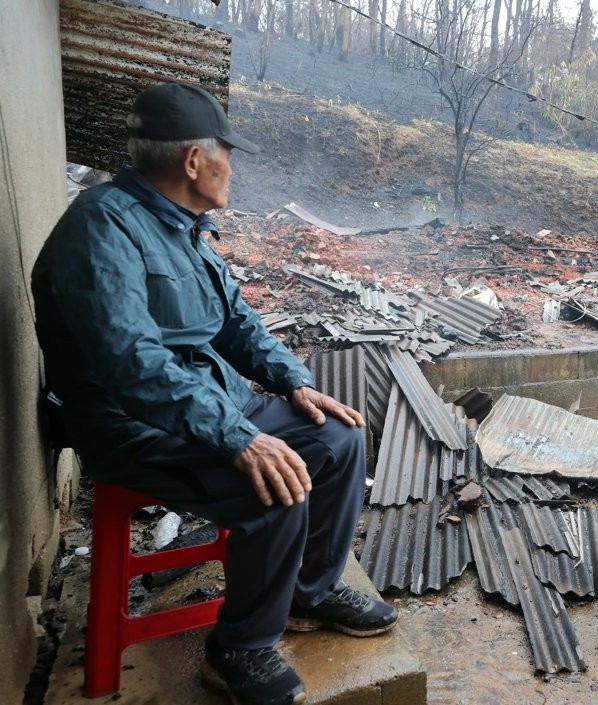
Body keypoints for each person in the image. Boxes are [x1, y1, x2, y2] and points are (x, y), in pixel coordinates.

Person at [31, 82, 397, 705]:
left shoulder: (184, 228)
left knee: (337, 436)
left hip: (212, 404)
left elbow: (238, 323)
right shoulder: (100, 228)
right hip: (135, 426)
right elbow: (129, 363)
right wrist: (238, 438)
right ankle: (240, 649)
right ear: (194, 161)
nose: (234, 167)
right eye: (228, 152)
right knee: (275, 488)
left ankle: (308, 594)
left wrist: (294, 382)